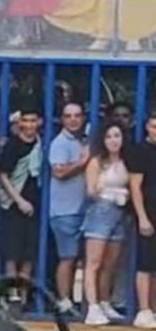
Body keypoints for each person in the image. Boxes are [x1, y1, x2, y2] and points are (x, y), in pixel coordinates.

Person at [83, 120, 132, 326]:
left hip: (120, 213)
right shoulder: (96, 162)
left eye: (117, 136)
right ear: (103, 140)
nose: (114, 141)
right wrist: (114, 192)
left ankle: (104, 302)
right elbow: (91, 191)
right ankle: (92, 307)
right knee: (93, 262)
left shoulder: (125, 161)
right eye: (109, 136)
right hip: (101, 210)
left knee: (110, 264)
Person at [0, 107, 43, 298]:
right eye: (26, 120)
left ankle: (23, 294)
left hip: (35, 202)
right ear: (19, 122)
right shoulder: (12, 145)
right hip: (13, 203)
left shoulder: (41, 144)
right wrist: (19, 200)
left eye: (33, 120)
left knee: (29, 252)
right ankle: (12, 293)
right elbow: (3, 175)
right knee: (12, 251)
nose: (30, 125)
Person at [48, 102, 91, 311]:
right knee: (68, 257)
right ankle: (64, 301)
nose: (73, 119)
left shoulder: (81, 141)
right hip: (65, 210)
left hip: (82, 209)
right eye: (68, 116)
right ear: (62, 119)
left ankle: (76, 301)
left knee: (80, 258)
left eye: (77, 115)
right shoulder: (60, 143)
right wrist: (82, 163)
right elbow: (59, 172)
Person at [127, 112, 156, 328]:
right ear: (147, 127)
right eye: (154, 126)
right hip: (148, 213)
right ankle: (144, 309)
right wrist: (142, 217)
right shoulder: (140, 151)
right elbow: (135, 187)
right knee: (145, 263)